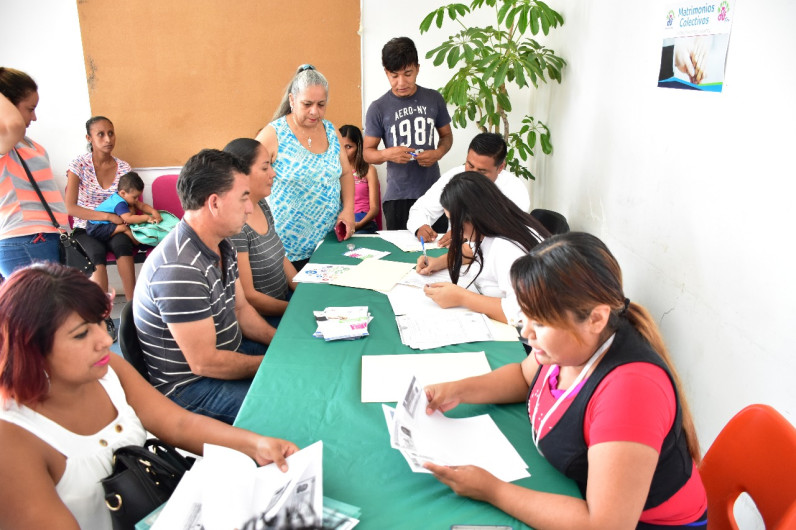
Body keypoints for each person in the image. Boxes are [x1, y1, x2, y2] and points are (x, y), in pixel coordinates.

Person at [423, 232, 708, 530]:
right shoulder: (571, 345)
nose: (526, 332)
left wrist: (492, 490)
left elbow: (604, 525)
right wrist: (456, 390)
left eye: (541, 322)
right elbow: (523, 377)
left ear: (596, 319)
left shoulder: (631, 391)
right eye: (526, 317)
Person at [0, 263, 298, 530]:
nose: (106, 340)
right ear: (29, 349)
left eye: (101, 322)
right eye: (81, 334)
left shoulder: (107, 370)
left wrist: (255, 444)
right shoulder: (12, 438)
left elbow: (178, 424)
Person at [133, 148, 277, 424]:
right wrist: (272, 365)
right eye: (244, 197)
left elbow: (241, 309)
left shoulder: (222, 243)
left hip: (230, 355)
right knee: (287, 403)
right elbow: (204, 362)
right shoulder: (179, 268)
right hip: (192, 387)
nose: (250, 207)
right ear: (214, 203)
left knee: (305, 365)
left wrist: (279, 345)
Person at [255, 64, 354, 271]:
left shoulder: (331, 130)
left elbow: (345, 173)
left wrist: (348, 210)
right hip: (285, 253)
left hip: (328, 244)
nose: (314, 112)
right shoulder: (274, 134)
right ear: (292, 100)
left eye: (321, 104)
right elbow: (247, 181)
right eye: (307, 104)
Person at [415, 172, 548, 324]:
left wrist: (462, 297)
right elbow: (472, 251)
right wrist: (439, 262)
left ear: (473, 217)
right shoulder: (500, 224)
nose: (454, 229)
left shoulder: (507, 247)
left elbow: (523, 314)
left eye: (454, 221)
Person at [363, 36, 453, 231]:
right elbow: (367, 152)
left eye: (408, 74)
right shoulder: (378, 108)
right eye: (394, 76)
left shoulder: (434, 99)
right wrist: (388, 154)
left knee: (436, 251)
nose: (401, 82)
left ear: (418, 69)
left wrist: (437, 153)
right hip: (398, 197)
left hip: (433, 195)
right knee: (400, 256)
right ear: (386, 72)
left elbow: (446, 136)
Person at [0, 68, 67, 277]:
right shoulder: (4, 142)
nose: (35, 116)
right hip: (24, 238)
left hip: (43, 236)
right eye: (30, 108)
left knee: (53, 308)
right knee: (43, 309)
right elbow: (14, 123)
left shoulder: (25, 143)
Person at [407, 132, 530, 247]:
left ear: (500, 167)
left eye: (482, 171)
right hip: (452, 252)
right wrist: (421, 226)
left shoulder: (515, 189)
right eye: (470, 165)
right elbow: (422, 208)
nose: (472, 175)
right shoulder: (454, 176)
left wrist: (467, 234)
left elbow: (510, 233)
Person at [224, 138, 297, 326]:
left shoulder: (262, 204)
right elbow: (250, 297)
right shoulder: (237, 227)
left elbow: (281, 257)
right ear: (242, 175)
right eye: (265, 168)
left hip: (284, 303)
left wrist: (304, 293)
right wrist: (297, 308)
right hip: (263, 318)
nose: (273, 173)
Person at [65, 116, 136, 303]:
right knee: (96, 254)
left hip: (115, 227)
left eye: (111, 133)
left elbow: (129, 203)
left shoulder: (124, 168)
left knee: (123, 245)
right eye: (101, 134)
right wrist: (107, 216)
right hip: (86, 227)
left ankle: (133, 308)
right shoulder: (78, 165)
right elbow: (70, 207)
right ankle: (102, 314)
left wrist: (120, 219)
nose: (108, 139)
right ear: (89, 138)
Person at [87, 171, 162, 245]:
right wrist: (147, 218)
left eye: (138, 197)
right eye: (135, 197)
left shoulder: (123, 197)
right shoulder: (120, 203)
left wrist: (153, 211)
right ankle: (138, 242)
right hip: (96, 228)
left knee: (126, 223)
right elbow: (128, 219)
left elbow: (142, 205)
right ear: (123, 193)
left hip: (100, 225)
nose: (137, 200)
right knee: (124, 227)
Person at [340, 124, 380, 234]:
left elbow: (374, 208)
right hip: (342, 221)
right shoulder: (335, 172)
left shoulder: (368, 170)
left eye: (349, 147)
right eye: (340, 146)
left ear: (358, 147)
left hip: (364, 222)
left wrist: (358, 224)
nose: (344, 151)